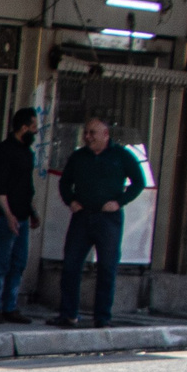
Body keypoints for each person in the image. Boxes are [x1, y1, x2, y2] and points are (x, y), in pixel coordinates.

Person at [53, 116, 147, 328]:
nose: (87, 137)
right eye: (86, 133)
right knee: (71, 265)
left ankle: (102, 317)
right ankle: (68, 314)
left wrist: (120, 202)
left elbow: (138, 182)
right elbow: (65, 182)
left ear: (105, 134)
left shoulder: (121, 155)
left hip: (108, 219)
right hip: (82, 216)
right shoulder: (79, 156)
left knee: (107, 267)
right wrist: (71, 201)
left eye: (92, 133)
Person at [0, 107, 40, 324]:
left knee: (18, 262)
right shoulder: (3, 151)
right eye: (33, 127)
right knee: (1, 262)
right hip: (5, 216)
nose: (35, 132)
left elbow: (26, 187)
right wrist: (8, 215)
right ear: (24, 128)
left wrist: (32, 211)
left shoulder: (27, 153)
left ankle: (10, 306)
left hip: (22, 215)